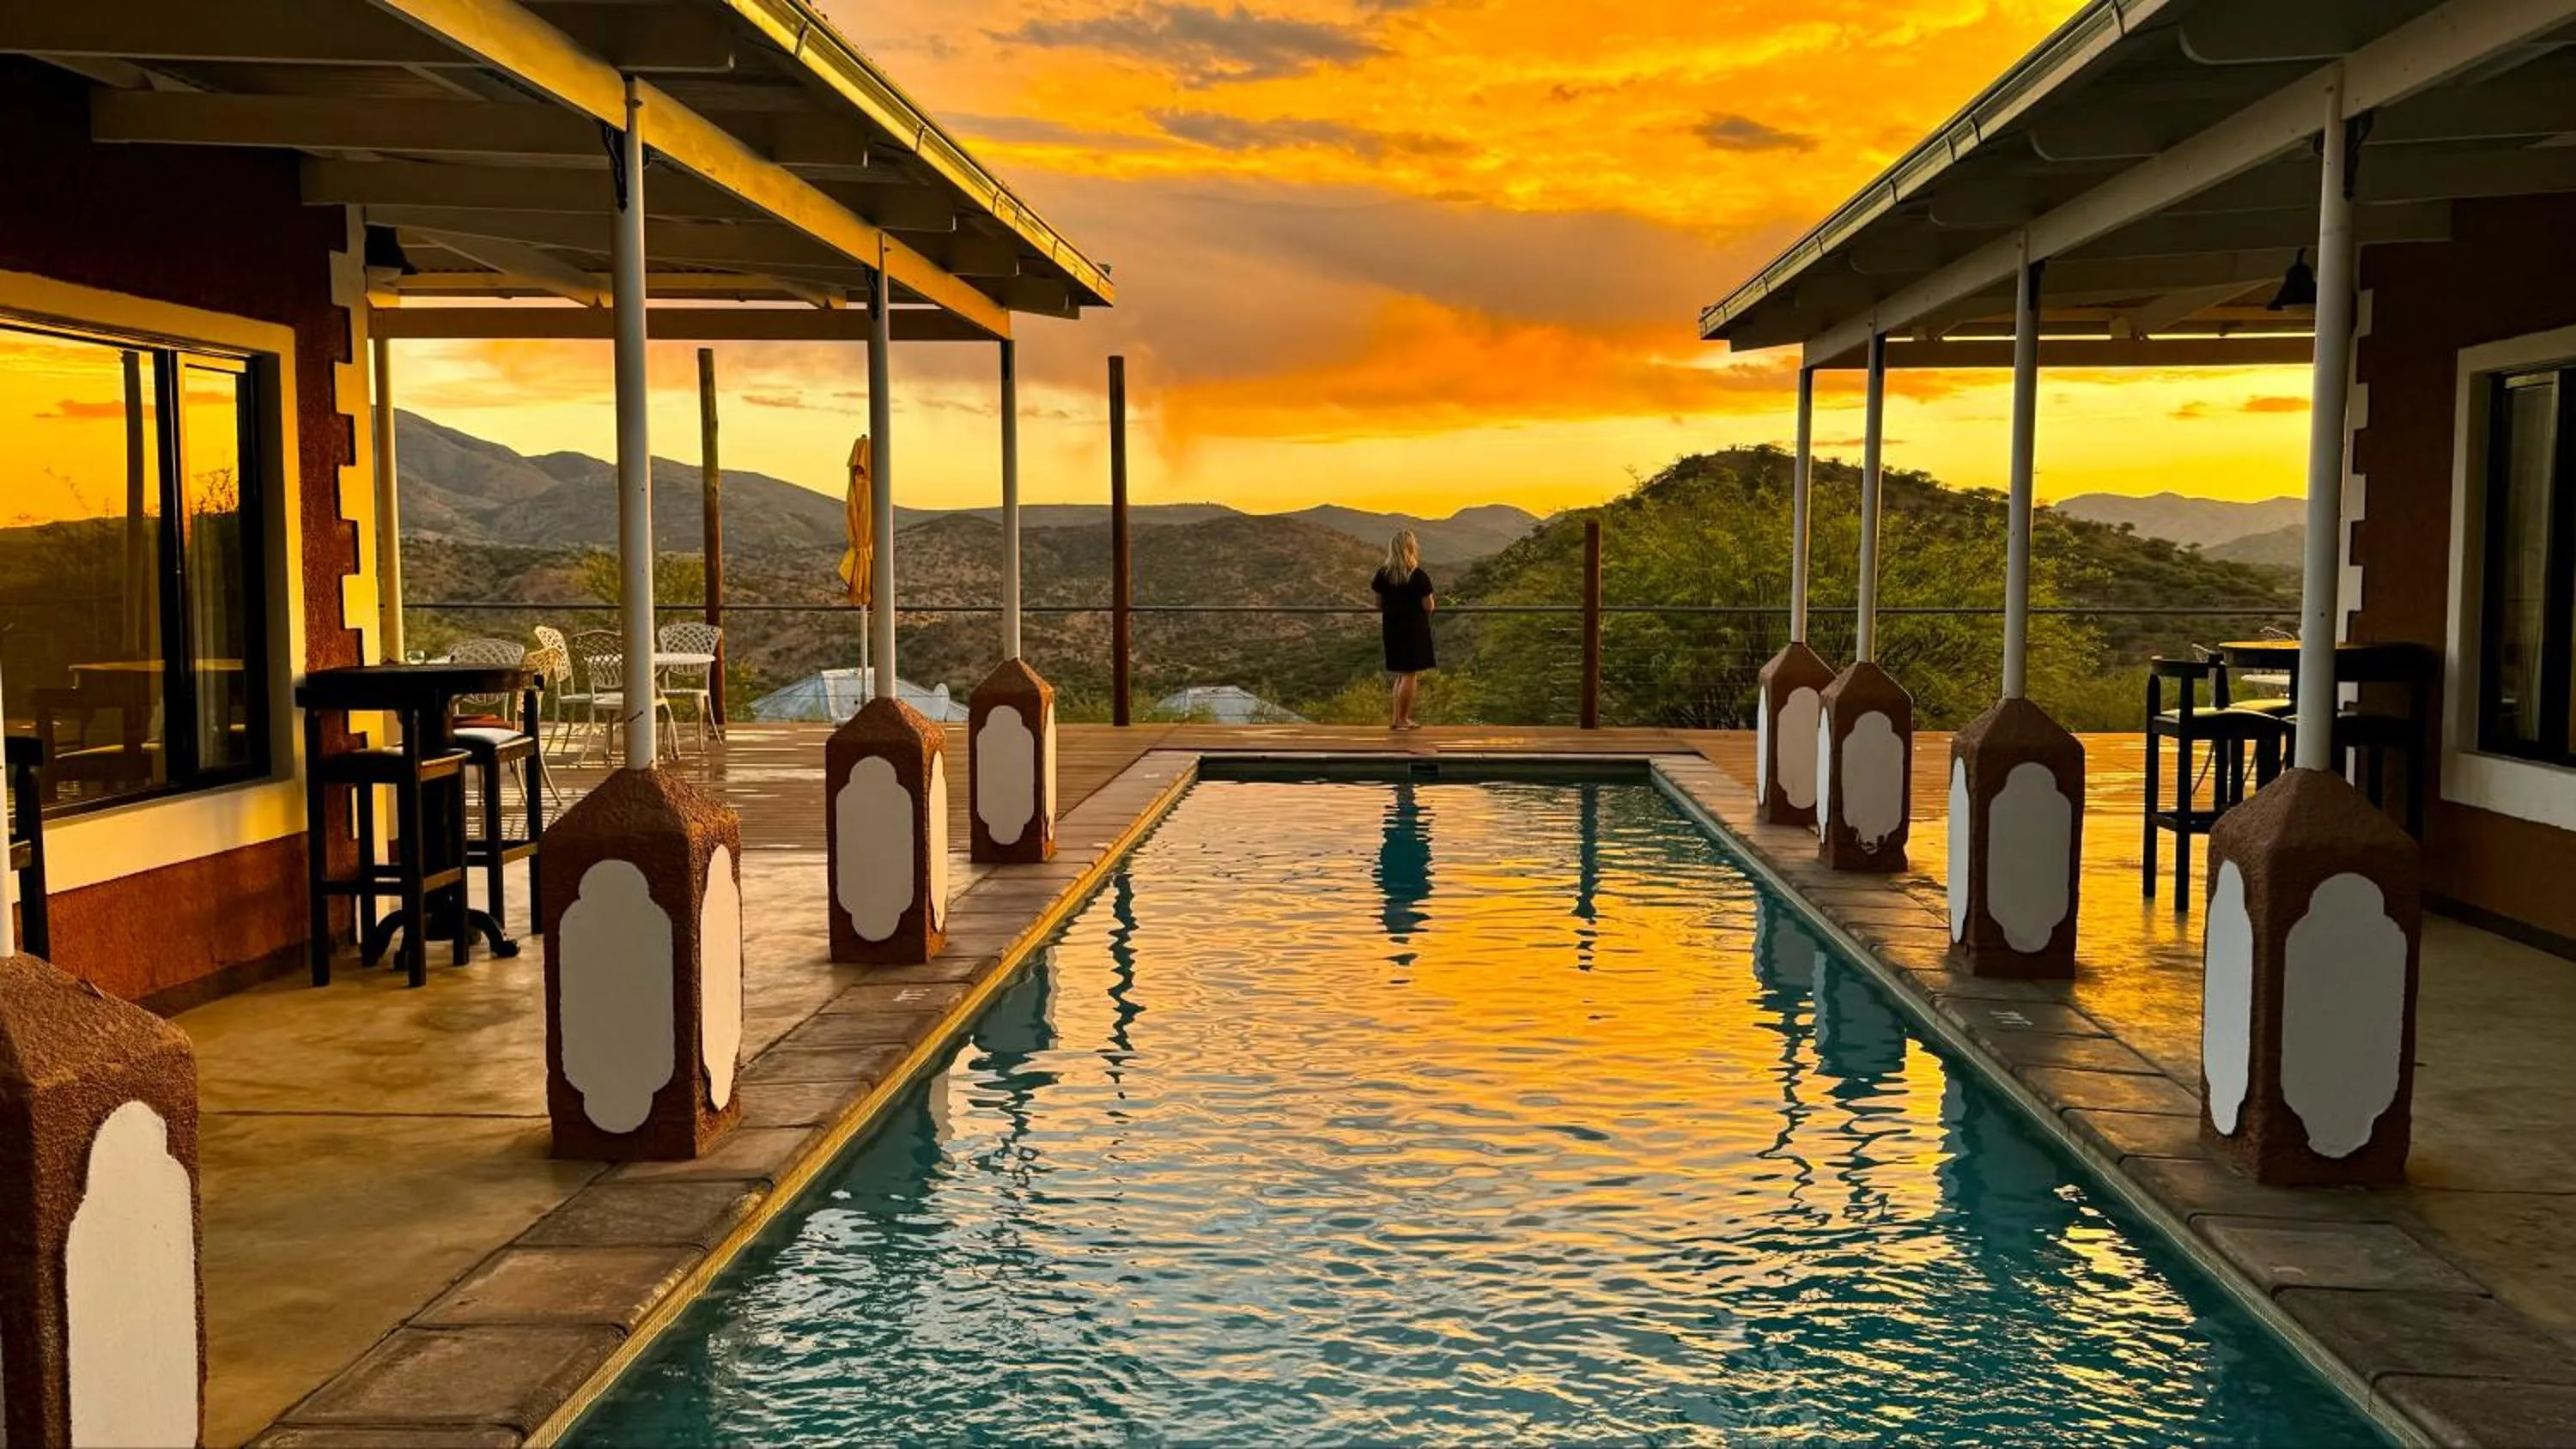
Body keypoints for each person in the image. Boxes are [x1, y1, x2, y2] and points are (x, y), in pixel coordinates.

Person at [1370, 529, 1436, 731]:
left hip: (1392, 627)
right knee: (1409, 674)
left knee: (1401, 674)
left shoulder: (1383, 574)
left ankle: (1396, 718)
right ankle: (1402, 720)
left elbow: (1378, 603)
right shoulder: (1418, 575)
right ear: (1411, 548)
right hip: (1414, 628)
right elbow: (1428, 605)